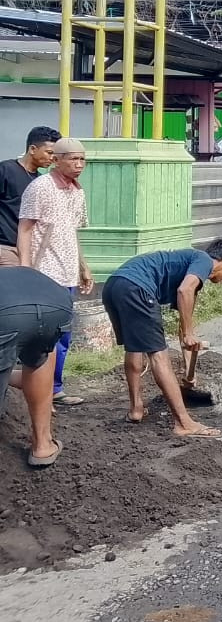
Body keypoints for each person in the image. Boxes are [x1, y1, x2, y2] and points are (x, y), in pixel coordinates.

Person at [102, 240, 222, 438]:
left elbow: (183, 332)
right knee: (159, 357)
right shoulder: (203, 260)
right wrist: (190, 333)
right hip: (137, 288)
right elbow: (184, 291)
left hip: (115, 285)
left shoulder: (187, 267)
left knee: (134, 348)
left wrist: (188, 371)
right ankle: (184, 423)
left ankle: (136, 409)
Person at [18, 136, 93, 407]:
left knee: (64, 335)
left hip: (68, 272)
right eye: (73, 159)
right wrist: (25, 270)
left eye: (82, 159)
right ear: (56, 160)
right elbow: (25, 230)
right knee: (43, 337)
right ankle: (37, 393)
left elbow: (71, 232)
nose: (79, 164)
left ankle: (55, 388)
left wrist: (83, 266)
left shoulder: (77, 191)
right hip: (44, 272)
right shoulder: (40, 188)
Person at [0, 267, 74, 466]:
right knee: (40, 358)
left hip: (6, 314)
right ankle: (42, 446)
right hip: (57, 305)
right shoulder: (18, 274)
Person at [0, 125, 60, 267]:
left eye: (55, 155)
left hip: (28, 251)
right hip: (5, 248)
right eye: (49, 153)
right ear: (33, 149)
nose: (52, 158)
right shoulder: (6, 170)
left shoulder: (41, 181)